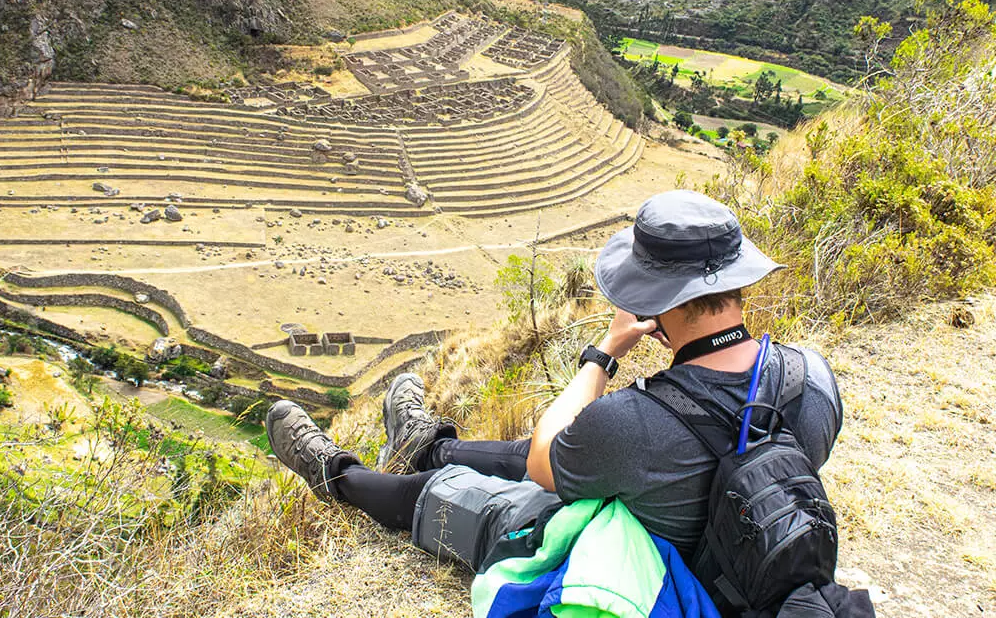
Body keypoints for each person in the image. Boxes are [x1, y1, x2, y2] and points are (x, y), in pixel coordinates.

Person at [265, 190, 843, 575]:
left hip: (648, 569)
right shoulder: (812, 380)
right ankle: (427, 445)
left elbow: (547, 457)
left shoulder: (637, 423)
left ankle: (334, 476)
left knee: (465, 497)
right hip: (736, 551)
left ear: (659, 301)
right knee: (565, 451)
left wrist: (605, 353)